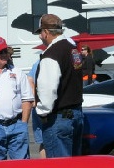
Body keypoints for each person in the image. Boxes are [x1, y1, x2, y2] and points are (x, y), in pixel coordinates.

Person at [34, 13, 84, 158]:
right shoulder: (73, 49)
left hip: (59, 118)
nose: (40, 37)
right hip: (76, 114)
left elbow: (48, 89)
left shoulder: (51, 54)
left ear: (46, 32)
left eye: (41, 33)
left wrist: (42, 112)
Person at [26, 61, 46, 159]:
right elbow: (29, 79)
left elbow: (29, 79)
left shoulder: (39, 62)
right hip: (45, 108)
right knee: (45, 142)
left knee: (44, 143)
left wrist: (34, 99)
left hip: (40, 107)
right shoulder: (41, 62)